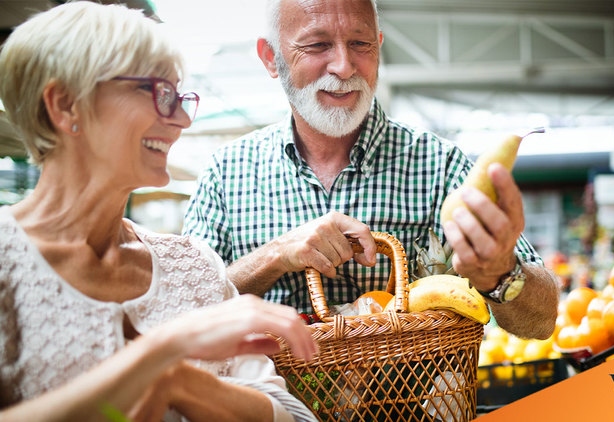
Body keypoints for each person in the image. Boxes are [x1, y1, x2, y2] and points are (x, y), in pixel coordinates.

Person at [0, 3, 318, 421]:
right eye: (158, 93)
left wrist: (179, 382)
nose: (182, 119)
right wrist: (162, 351)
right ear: (65, 104)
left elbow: (292, 416)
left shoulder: (192, 264)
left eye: (181, 97)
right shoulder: (8, 261)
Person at [183, 0, 558, 339]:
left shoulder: (440, 166)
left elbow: (542, 323)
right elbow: (181, 313)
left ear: (378, 45)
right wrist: (276, 255)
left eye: (360, 44)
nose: (344, 67)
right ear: (270, 57)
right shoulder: (225, 174)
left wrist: (502, 273)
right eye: (317, 45)